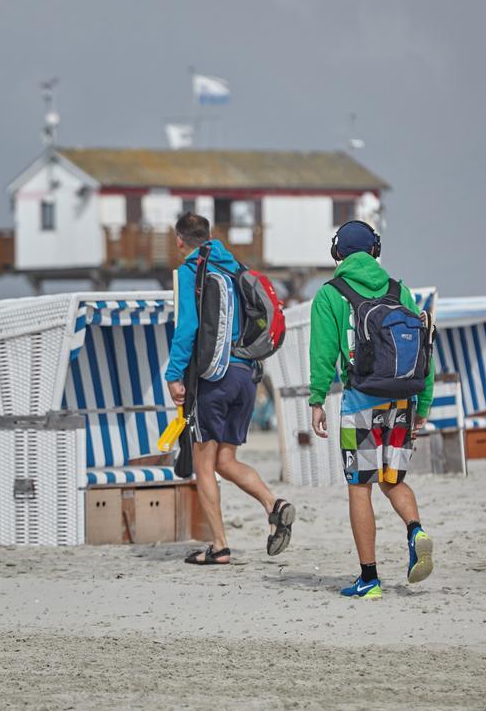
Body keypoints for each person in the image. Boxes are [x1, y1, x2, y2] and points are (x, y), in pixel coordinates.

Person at [309, 220, 434, 599]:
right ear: (375, 250)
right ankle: (416, 530)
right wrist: (422, 405)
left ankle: (369, 579)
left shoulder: (331, 294)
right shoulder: (401, 291)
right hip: (402, 400)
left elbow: (323, 353)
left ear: (337, 254)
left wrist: (316, 399)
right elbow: (423, 349)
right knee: (392, 479)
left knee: (360, 487)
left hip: (361, 399)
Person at [165, 212, 295, 565]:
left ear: (179, 240)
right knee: (225, 460)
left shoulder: (191, 272)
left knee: (203, 465)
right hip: (246, 377)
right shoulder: (236, 267)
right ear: (209, 235)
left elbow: (187, 329)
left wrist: (174, 375)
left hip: (215, 378)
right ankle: (275, 504)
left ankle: (219, 546)